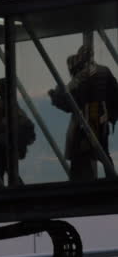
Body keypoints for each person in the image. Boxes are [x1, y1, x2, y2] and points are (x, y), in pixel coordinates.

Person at [49, 46, 117, 181]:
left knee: (80, 153)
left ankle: (83, 184)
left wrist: (54, 95)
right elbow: (115, 94)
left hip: (86, 117)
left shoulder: (81, 76)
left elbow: (68, 98)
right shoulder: (105, 71)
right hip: (102, 116)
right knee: (103, 151)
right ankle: (111, 181)